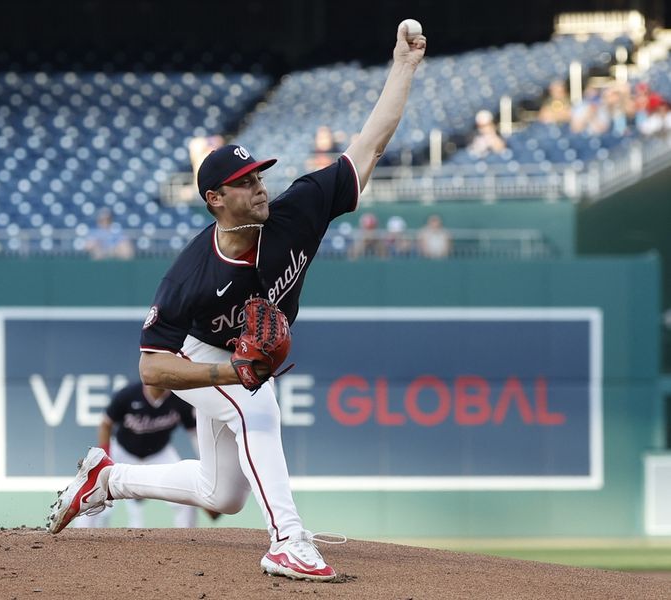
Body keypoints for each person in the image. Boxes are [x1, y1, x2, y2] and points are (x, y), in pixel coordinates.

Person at [46, 22, 427, 583]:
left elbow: (368, 146)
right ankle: (289, 541)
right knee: (258, 405)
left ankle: (106, 479)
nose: (260, 186)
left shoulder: (296, 211)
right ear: (215, 199)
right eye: (246, 181)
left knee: (221, 493)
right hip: (203, 354)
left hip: (236, 357)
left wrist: (404, 66)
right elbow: (152, 366)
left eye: (260, 175)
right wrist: (232, 371)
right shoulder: (190, 275)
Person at [73, 381, 199, 529]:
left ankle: (189, 538)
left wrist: (207, 464)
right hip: (123, 452)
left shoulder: (179, 399)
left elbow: (194, 433)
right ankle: (79, 532)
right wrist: (105, 458)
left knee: (185, 493)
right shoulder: (129, 394)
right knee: (95, 491)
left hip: (160, 454)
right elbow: (105, 424)